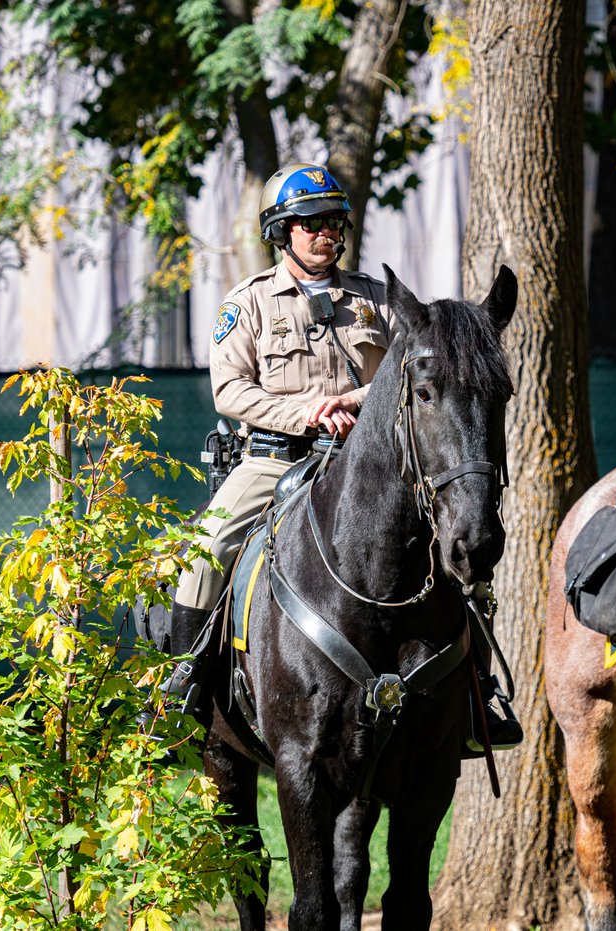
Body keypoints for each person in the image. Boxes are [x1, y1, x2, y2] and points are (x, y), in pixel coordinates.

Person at [168, 161, 521, 751]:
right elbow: (230, 390)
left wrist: (353, 401)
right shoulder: (248, 303)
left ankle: (475, 693)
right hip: (274, 459)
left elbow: (410, 375)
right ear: (282, 232)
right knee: (204, 552)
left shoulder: (378, 301)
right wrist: (306, 411)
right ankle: (184, 682)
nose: (325, 232)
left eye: (333, 220)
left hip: (370, 462)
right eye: (310, 223)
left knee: (453, 545)